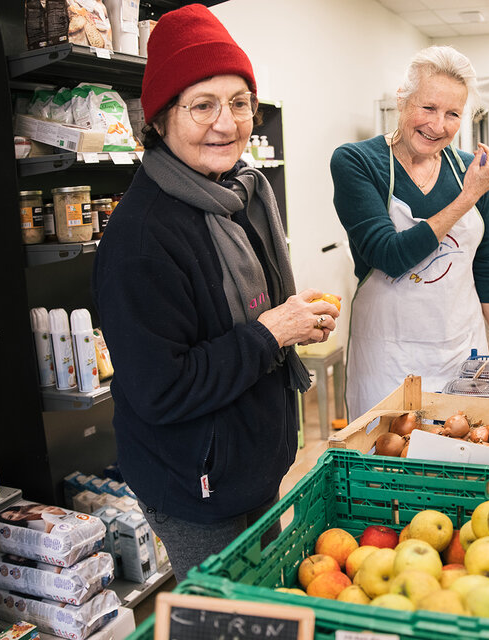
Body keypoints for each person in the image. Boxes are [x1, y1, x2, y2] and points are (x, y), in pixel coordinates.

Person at [92, 5, 339, 582]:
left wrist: (291, 322)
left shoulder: (237, 197)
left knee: (266, 601)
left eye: (239, 103)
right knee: (226, 621)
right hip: (197, 485)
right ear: (159, 119)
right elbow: (161, 388)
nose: (226, 123)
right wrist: (275, 331)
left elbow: (251, 321)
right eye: (201, 105)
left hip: (251, 463)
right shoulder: (142, 239)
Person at [330, 46, 489, 420]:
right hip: (387, 359)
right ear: (402, 100)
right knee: (386, 462)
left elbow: (488, 269)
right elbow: (389, 257)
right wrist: (468, 196)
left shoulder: (469, 169)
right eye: (428, 108)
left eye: (453, 114)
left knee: (462, 455)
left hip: (461, 354)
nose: (439, 126)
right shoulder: (356, 162)